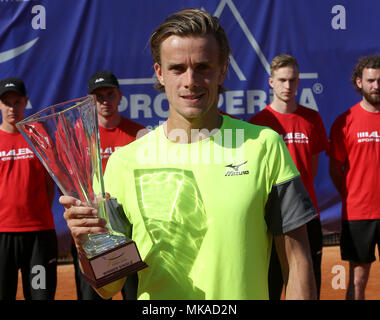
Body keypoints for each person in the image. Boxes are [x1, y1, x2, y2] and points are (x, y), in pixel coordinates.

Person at [60, 8, 317, 300]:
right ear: (159, 72)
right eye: (177, 68)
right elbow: (109, 284)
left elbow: (298, 262)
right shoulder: (123, 163)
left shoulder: (265, 146)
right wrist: (86, 243)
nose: (191, 80)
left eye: (204, 67)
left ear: (222, 70)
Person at [249, 54, 329, 299]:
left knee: (308, 282)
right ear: (271, 82)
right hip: (270, 216)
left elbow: (311, 170)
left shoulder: (312, 119)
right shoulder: (258, 123)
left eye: (292, 80)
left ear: (299, 81)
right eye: (282, 80)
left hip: (306, 213)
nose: (287, 86)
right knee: (270, 284)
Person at [70, 70, 146, 300]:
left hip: (129, 229)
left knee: (133, 292)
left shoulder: (139, 134)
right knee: (95, 295)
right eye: (98, 96)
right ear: (90, 99)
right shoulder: (78, 136)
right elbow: (71, 183)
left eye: (109, 94)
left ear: (120, 96)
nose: (105, 101)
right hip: (95, 229)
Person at [0, 77, 57, 300]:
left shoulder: (39, 137)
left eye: (17, 102)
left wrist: (37, 213)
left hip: (38, 238)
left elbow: (50, 183)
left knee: (40, 295)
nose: (12, 108)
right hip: (2, 235)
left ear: (26, 102)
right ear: (0, 104)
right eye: (7, 102)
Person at [328, 55, 380, 300]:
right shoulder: (344, 122)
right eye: (371, 80)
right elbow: (335, 169)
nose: (376, 86)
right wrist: (353, 195)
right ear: (359, 82)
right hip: (358, 213)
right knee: (357, 280)